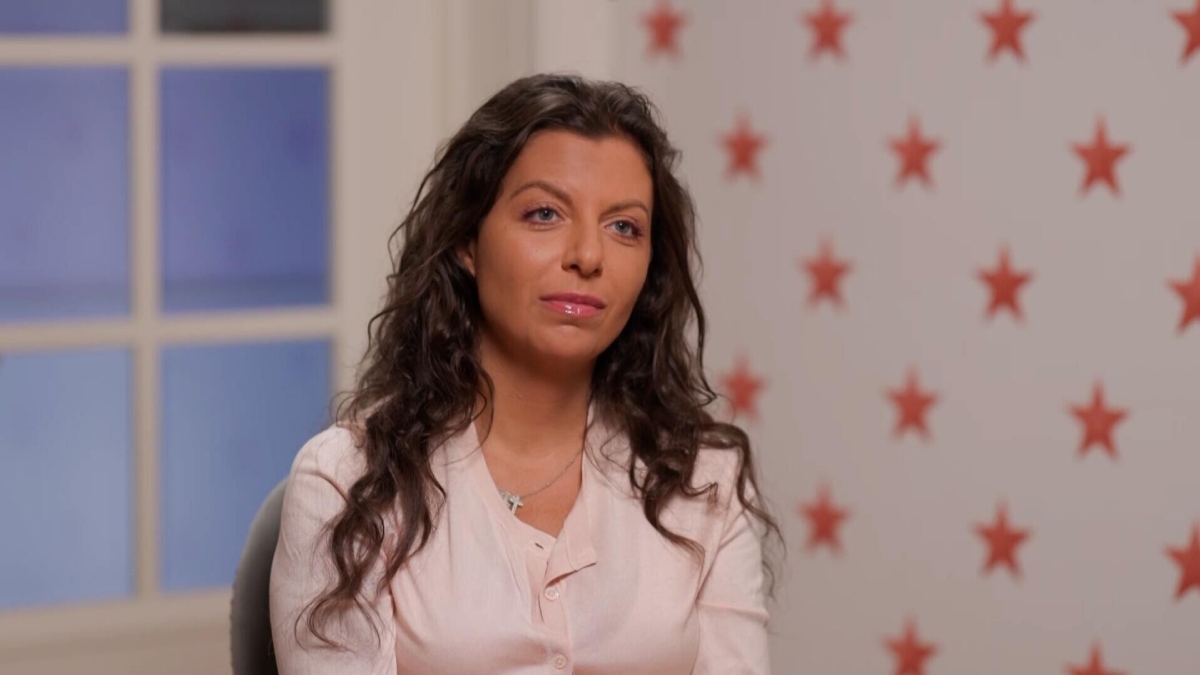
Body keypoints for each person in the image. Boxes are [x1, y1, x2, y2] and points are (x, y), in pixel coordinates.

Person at [269, 72, 782, 674]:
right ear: (467, 242)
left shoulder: (707, 479)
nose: (587, 256)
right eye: (544, 213)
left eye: (624, 227)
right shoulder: (344, 481)